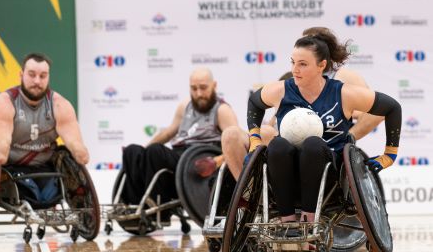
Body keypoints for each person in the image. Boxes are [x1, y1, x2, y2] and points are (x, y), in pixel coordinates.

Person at [245, 33, 401, 227]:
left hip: (329, 175)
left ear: (321, 65)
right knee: (277, 144)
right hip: (286, 172)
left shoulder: (343, 93)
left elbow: (392, 107)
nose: (295, 70)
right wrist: (254, 139)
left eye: (302, 64)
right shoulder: (281, 90)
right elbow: (254, 102)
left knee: (313, 144)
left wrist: (390, 154)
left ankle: (309, 220)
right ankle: (288, 222)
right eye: (293, 62)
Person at [222, 27, 385, 180]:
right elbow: (278, 115)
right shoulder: (295, 77)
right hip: (287, 140)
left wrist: (351, 135)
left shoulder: (344, 77)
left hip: (321, 146)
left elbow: (377, 113)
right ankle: (248, 191)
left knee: (273, 134)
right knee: (234, 134)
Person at [120, 67, 238, 221]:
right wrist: (143, 150)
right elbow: (169, 133)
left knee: (155, 151)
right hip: (179, 157)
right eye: (194, 88)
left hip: (197, 162)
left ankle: (158, 210)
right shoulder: (185, 106)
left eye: (203, 88)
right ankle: (134, 206)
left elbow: (235, 144)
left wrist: (216, 161)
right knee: (132, 151)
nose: (199, 94)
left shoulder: (222, 110)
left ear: (214, 85)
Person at [0, 52, 89, 201]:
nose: (37, 81)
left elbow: (76, 144)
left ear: (48, 77)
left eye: (43, 76)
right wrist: (1, 154)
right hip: (10, 168)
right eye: (31, 75)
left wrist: (80, 152)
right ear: (21, 75)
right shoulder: (4, 102)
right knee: (4, 160)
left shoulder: (60, 105)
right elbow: (2, 144)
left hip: (45, 169)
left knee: (49, 194)